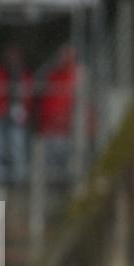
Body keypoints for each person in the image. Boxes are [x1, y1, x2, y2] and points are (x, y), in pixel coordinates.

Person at [0, 44, 32, 186]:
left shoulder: (23, 73)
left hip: (16, 114)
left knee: (16, 147)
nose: (11, 59)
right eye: (8, 56)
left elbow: (27, 96)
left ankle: (17, 179)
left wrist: (23, 110)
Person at [37, 45, 77, 186]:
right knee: (50, 167)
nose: (60, 60)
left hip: (64, 129)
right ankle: (52, 189)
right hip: (49, 127)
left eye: (65, 57)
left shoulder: (75, 76)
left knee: (66, 163)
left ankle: (65, 187)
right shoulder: (53, 76)